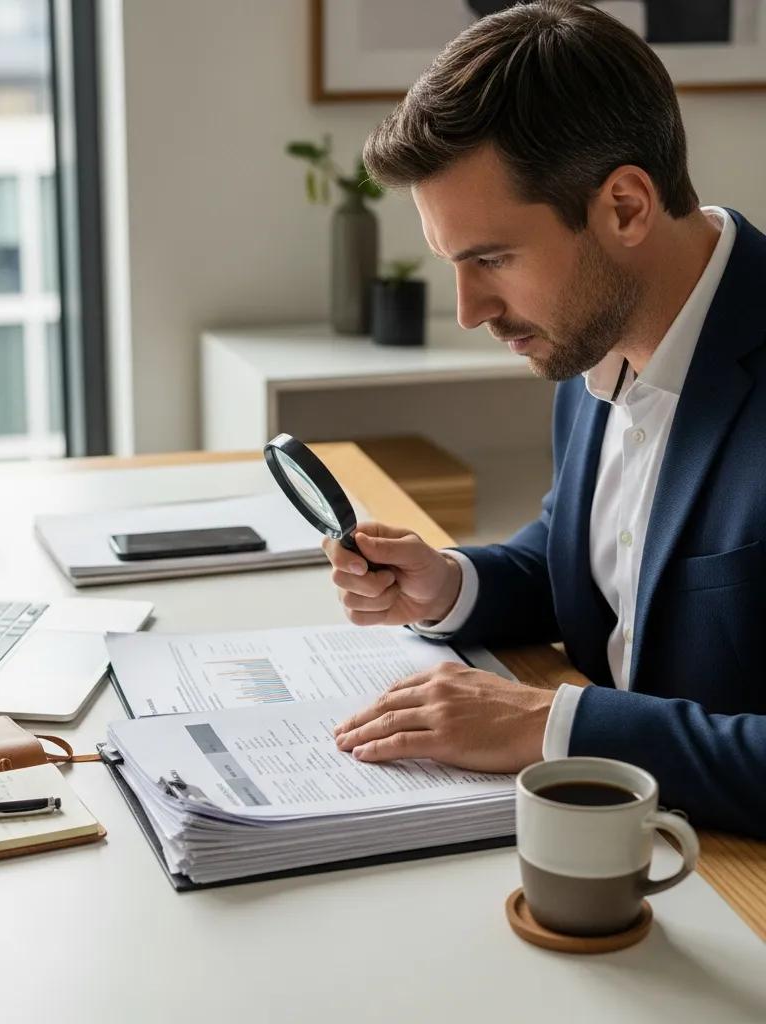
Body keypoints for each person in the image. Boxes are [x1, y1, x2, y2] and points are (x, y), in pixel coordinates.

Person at [323, 0, 766, 838]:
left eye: (491, 258)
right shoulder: (594, 331)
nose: (468, 309)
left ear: (626, 206)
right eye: (455, 262)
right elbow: (604, 557)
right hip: (607, 841)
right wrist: (452, 584)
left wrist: (551, 726)